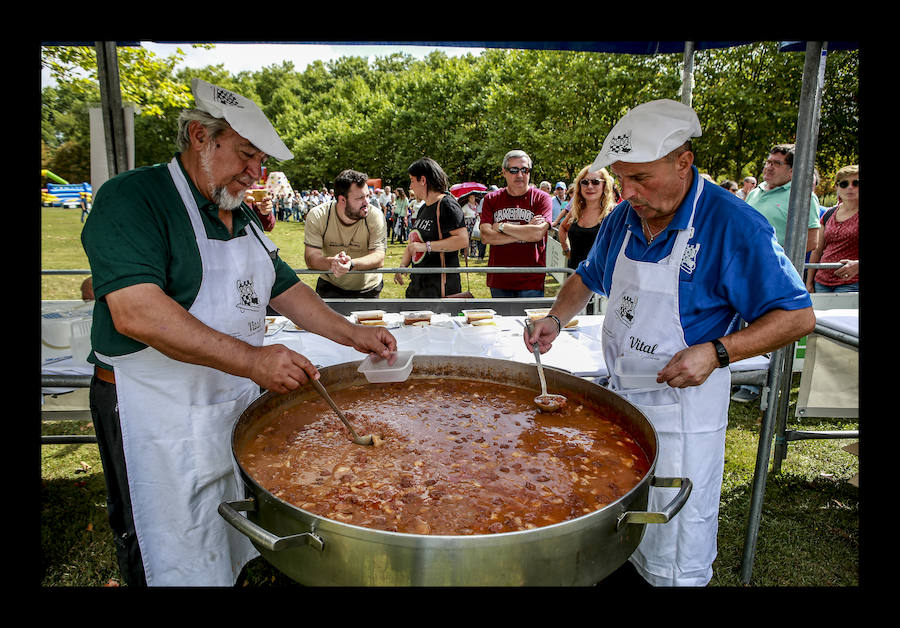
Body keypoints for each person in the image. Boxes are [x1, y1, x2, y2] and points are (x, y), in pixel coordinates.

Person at [80, 79, 397, 587]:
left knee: (227, 516)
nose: (256, 173)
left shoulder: (241, 215)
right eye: (247, 154)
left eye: (261, 161)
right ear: (200, 137)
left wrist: (351, 333)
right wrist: (252, 360)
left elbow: (285, 288)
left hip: (227, 400)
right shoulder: (133, 198)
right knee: (161, 532)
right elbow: (137, 313)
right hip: (150, 409)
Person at [524, 99, 815, 587]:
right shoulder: (623, 217)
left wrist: (717, 352)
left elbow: (797, 315)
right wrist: (555, 317)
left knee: (671, 545)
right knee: (612, 528)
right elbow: (588, 276)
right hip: (620, 403)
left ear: (684, 162)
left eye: (641, 178)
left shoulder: (733, 225)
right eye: (623, 179)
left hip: (682, 415)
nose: (629, 192)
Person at [478, 150, 553, 298]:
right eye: (514, 170)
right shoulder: (491, 199)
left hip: (531, 279)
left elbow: (537, 233)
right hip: (499, 278)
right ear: (504, 172)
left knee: (531, 315)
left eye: (525, 170)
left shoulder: (542, 198)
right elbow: (486, 237)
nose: (520, 175)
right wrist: (526, 232)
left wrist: (502, 227)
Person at [304, 169, 388, 299]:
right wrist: (333, 263)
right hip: (330, 285)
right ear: (342, 200)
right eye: (360, 198)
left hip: (368, 288)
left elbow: (378, 257)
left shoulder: (375, 215)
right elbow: (311, 258)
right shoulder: (318, 215)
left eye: (367, 196)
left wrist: (351, 264)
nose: (367, 202)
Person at [394, 158, 468, 298]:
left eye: (412, 180)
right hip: (419, 286)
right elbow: (414, 242)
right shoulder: (424, 208)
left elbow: (462, 240)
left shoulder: (447, 205)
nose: (410, 186)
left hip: (440, 289)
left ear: (423, 180)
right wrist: (403, 265)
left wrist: (426, 246)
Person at [744, 143, 820, 253]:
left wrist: (776, 258)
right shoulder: (754, 193)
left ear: (792, 170)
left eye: (777, 163)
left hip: (770, 262)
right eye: (768, 162)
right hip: (742, 258)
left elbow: (811, 240)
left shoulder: (802, 197)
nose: (769, 167)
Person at [806, 165, 859, 293]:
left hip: (852, 283)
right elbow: (817, 251)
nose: (850, 187)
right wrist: (809, 282)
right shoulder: (829, 214)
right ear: (837, 187)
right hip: (821, 282)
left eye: (856, 183)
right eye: (844, 184)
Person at [557, 166, 616, 270]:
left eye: (595, 182)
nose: (589, 186)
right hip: (573, 272)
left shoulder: (612, 213)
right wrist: (566, 250)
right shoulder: (576, 210)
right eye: (584, 182)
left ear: (604, 185)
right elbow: (562, 228)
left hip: (598, 277)